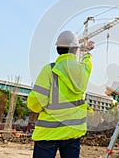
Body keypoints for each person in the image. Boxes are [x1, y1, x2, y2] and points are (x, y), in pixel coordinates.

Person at [27, 30, 93, 158]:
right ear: (75, 50)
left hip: (48, 133)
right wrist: (88, 54)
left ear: (58, 49)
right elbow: (88, 64)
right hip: (73, 131)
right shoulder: (83, 71)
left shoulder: (50, 70)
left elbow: (35, 103)